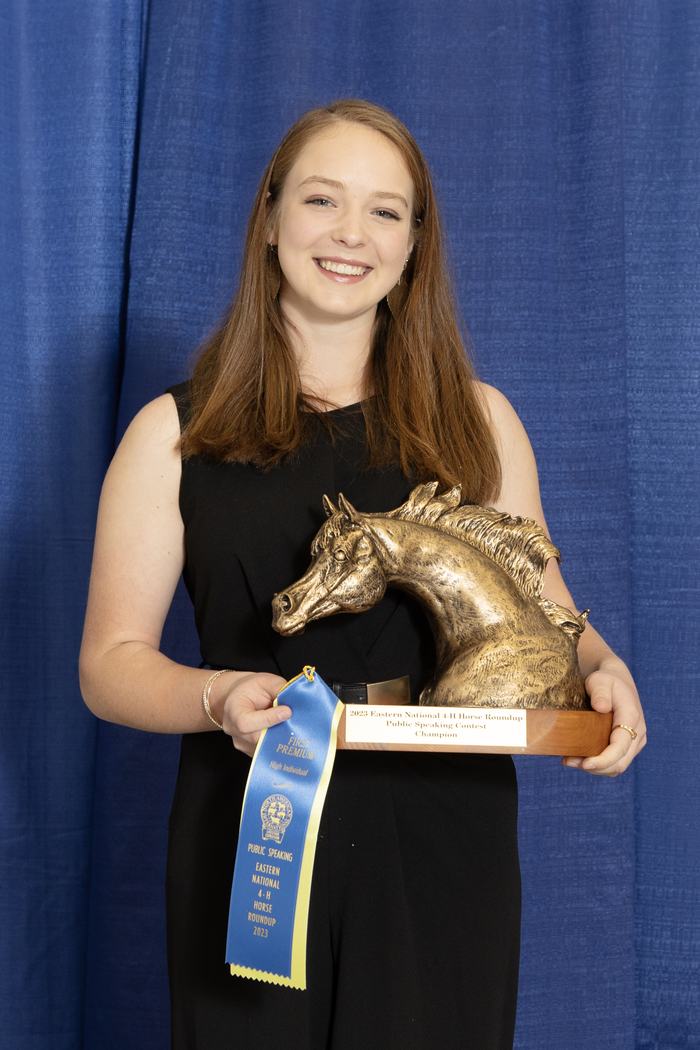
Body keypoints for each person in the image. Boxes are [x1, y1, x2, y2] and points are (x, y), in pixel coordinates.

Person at [79, 98, 646, 1050]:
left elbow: (551, 614)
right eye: (321, 200)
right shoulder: (171, 435)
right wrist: (218, 697)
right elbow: (109, 664)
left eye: (386, 211)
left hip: (441, 835)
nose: (351, 235)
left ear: (417, 243)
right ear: (268, 219)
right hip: (253, 829)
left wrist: (606, 667)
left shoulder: (482, 420)